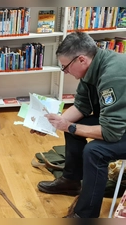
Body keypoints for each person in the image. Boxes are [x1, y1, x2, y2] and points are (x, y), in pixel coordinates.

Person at [33, 31, 126, 218]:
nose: (65, 72)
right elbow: (81, 106)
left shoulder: (113, 75)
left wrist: (68, 126)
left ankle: (85, 214)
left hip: (118, 127)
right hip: (116, 121)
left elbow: (111, 132)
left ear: (81, 60)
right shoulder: (91, 68)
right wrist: (53, 124)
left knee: (94, 152)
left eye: (65, 67)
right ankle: (71, 181)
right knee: (72, 126)